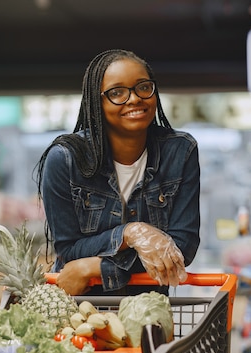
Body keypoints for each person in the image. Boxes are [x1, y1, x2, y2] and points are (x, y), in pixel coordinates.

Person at [35, 49, 200, 296]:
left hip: (147, 311)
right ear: (96, 102)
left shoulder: (180, 152)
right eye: (117, 93)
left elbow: (181, 249)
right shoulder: (65, 159)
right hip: (81, 309)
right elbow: (69, 251)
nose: (134, 99)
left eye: (143, 87)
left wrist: (94, 266)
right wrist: (130, 234)